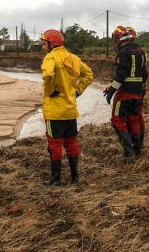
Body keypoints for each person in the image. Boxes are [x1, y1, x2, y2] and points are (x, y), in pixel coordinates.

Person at [40, 29, 93, 186]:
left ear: (51, 43)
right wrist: (77, 91)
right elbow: (89, 74)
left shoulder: (50, 58)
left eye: (44, 44)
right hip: (70, 110)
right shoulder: (74, 58)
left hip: (55, 111)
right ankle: (74, 178)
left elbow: (48, 75)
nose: (43, 47)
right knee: (71, 142)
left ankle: (56, 179)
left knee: (54, 144)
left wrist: (50, 91)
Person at [104, 26, 146, 158]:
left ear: (118, 39)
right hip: (138, 93)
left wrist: (112, 91)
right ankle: (137, 151)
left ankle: (128, 151)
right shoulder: (141, 52)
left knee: (116, 121)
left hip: (125, 94)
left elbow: (121, 75)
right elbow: (145, 74)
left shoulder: (123, 52)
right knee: (133, 120)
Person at [126, 27, 148, 149]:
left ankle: (138, 143)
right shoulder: (141, 52)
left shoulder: (134, 52)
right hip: (139, 87)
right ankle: (138, 141)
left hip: (135, 88)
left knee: (136, 115)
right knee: (137, 114)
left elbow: (142, 72)